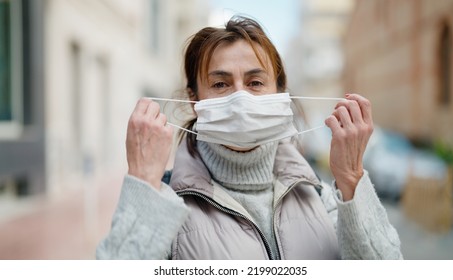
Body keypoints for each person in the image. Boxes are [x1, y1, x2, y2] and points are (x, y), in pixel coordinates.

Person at [96, 16, 402, 260]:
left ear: (281, 92)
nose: (240, 98)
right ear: (194, 100)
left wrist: (351, 180)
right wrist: (144, 185)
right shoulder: (164, 204)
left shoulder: (320, 197)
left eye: (255, 82)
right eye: (220, 84)